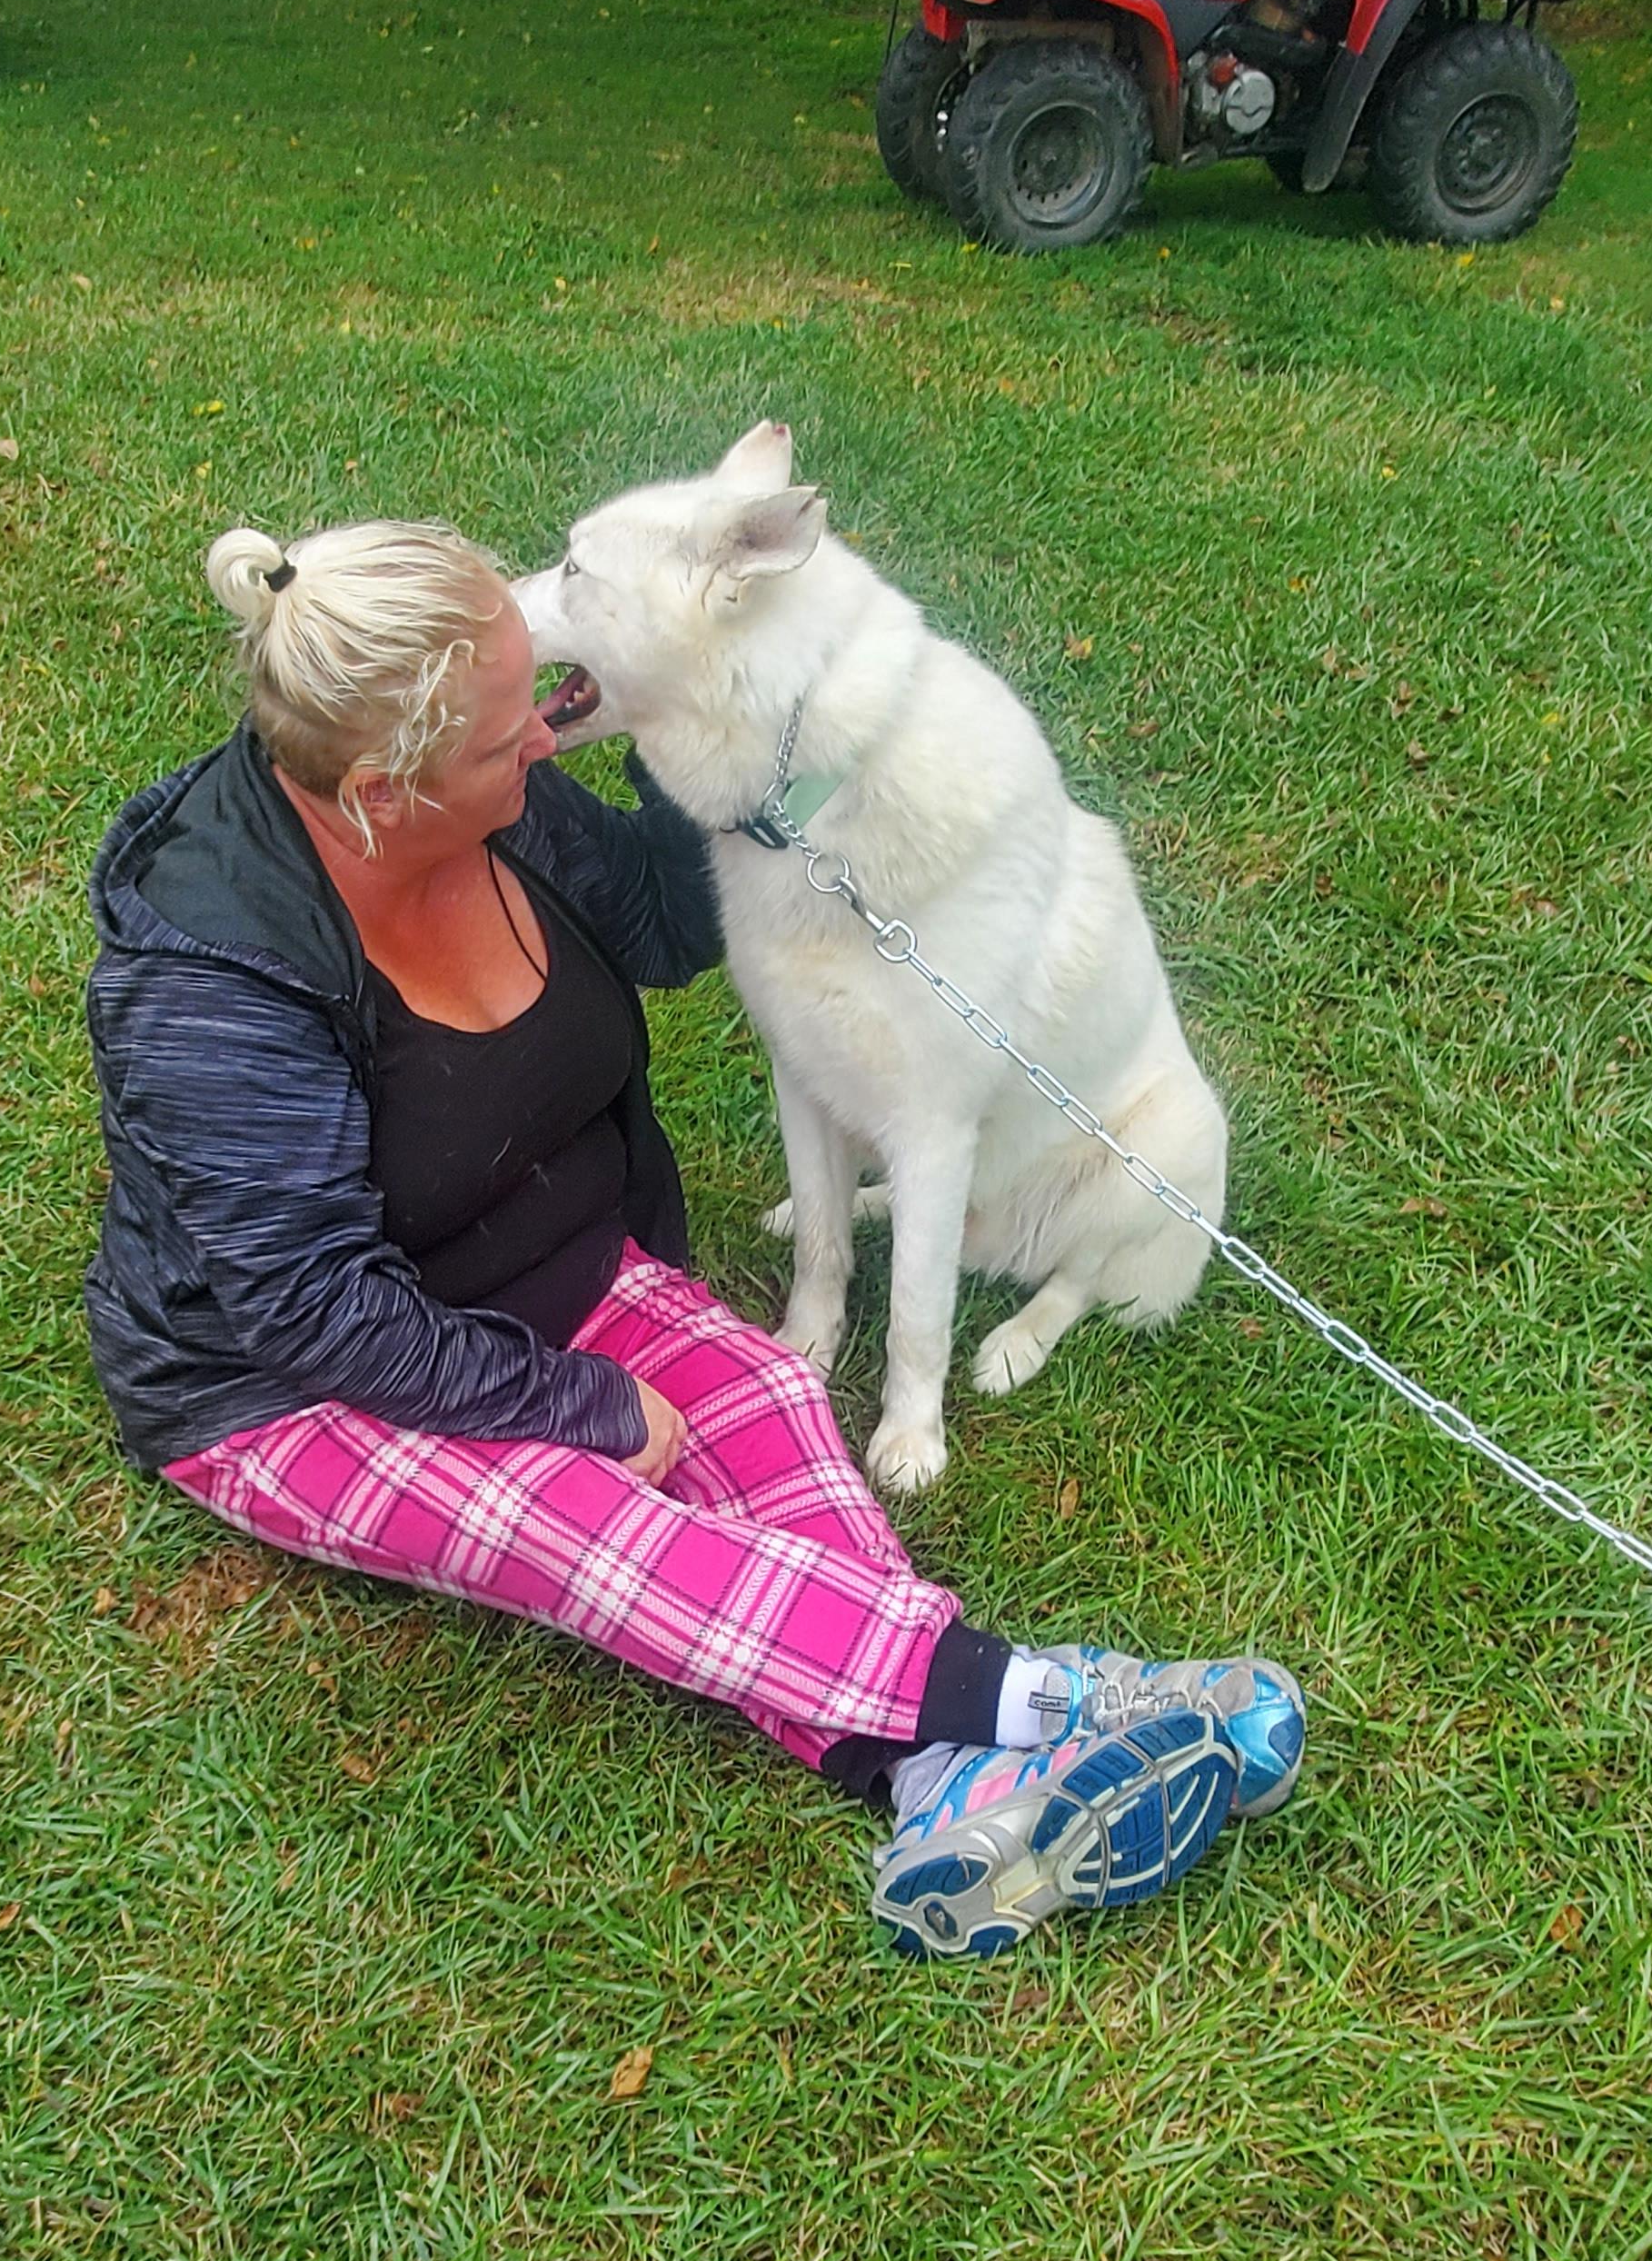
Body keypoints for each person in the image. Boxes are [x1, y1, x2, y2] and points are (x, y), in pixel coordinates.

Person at [84, 520, 1305, 1957]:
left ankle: (939, 1791)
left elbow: (666, 922)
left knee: (773, 1396)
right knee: (587, 1521)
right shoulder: (212, 977)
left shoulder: (489, 787)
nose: (544, 739)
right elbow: (311, 1310)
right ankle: (1054, 1700)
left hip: (555, 1265)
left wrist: (715, 707)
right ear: (378, 795)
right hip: (283, 1382)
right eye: (508, 735)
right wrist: (579, 1403)